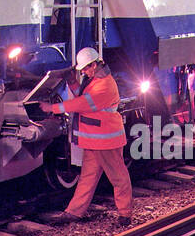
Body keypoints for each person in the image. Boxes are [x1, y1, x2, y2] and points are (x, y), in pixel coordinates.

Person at [39, 46, 132, 222]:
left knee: (118, 178)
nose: (85, 73)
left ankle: (125, 214)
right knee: (87, 178)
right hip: (95, 141)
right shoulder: (96, 80)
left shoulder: (104, 85)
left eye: (85, 69)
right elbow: (83, 95)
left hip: (106, 142)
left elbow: (82, 103)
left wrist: (52, 108)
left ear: (94, 65)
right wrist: (73, 82)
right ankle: (74, 212)